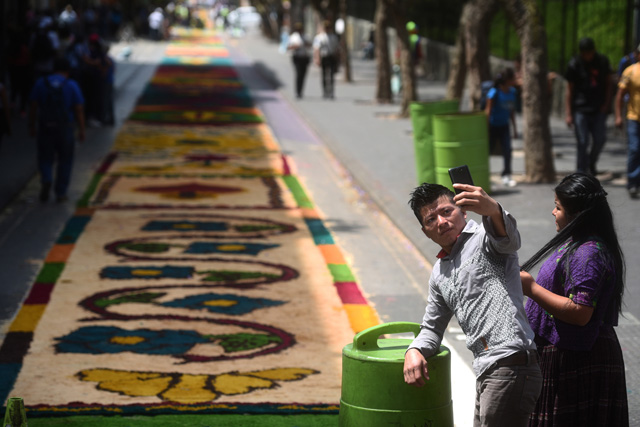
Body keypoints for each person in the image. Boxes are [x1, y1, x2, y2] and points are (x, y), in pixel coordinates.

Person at [404, 182, 542, 426]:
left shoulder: (484, 239)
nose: (442, 222)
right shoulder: (439, 272)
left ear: (463, 211)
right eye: (431, 219)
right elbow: (432, 328)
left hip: (511, 364)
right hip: (486, 371)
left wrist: (492, 209)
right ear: (425, 231)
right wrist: (414, 351)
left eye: (447, 211)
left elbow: (508, 238)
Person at [520, 173, 628, 426]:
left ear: (577, 214)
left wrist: (531, 288)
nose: (553, 212)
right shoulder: (576, 243)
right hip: (567, 353)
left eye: (558, 207)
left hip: (578, 360)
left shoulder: (587, 254)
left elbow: (580, 312)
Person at [28, 57, 85, 203]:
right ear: (68, 71)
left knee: (45, 158)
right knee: (65, 160)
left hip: (45, 126)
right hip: (65, 128)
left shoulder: (41, 83)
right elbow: (79, 109)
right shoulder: (71, 85)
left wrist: (32, 125)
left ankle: (46, 178)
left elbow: (33, 106)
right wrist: (82, 130)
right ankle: (61, 193)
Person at [564, 37, 612, 175]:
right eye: (585, 53)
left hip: (598, 108)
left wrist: (607, 104)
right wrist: (568, 113)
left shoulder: (602, 61)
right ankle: (580, 172)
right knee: (582, 141)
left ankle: (591, 162)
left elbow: (609, 85)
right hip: (580, 109)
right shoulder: (575, 64)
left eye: (589, 53)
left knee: (600, 139)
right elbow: (569, 90)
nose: (587, 56)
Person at [485, 68, 518, 187]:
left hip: (504, 125)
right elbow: (487, 111)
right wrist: (486, 128)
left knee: (507, 150)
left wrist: (514, 128)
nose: (515, 80)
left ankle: (506, 174)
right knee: (488, 151)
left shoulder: (512, 92)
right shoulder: (494, 92)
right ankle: (485, 175)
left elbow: (512, 111)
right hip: (493, 126)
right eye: (513, 78)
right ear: (507, 80)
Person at [615, 44, 640, 199]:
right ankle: (632, 182)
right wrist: (618, 116)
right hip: (634, 117)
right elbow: (620, 95)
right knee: (635, 148)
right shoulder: (631, 71)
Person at [313, 20, 340, 99]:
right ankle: (325, 92)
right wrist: (317, 59)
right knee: (324, 75)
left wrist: (338, 59)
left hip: (331, 57)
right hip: (323, 57)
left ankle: (331, 92)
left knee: (331, 75)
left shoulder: (334, 37)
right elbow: (316, 49)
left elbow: (337, 49)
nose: (327, 29)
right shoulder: (319, 37)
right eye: (326, 28)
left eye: (328, 27)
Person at [287, 22, 311, 99]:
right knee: (298, 74)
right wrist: (296, 46)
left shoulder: (306, 36)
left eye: (300, 29)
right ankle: (297, 92)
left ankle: (301, 92)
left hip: (305, 57)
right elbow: (288, 47)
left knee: (303, 75)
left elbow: (310, 45)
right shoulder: (293, 37)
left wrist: (306, 44)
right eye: (298, 29)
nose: (299, 31)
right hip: (297, 57)